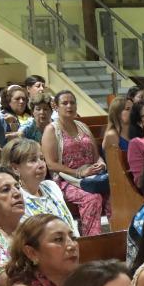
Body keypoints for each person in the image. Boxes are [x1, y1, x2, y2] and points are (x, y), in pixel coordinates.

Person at [40, 90, 107, 234]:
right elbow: (51, 164)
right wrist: (78, 173)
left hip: (91, 176)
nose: (69, 106)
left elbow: (97, 156)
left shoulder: (82, 126)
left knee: (113, 192)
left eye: (72, 103)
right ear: (56, 106)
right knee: (92, 198)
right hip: (66, 180)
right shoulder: (51, 130)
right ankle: (92, 240)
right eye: (64, 103)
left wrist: (101, 163)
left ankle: (119, 238)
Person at [3, 137, 78, 235]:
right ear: (15, 168)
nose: (41, 165)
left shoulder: (51, 186)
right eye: (32, 160)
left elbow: (70, 223)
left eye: (42, 158)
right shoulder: (17, 199)